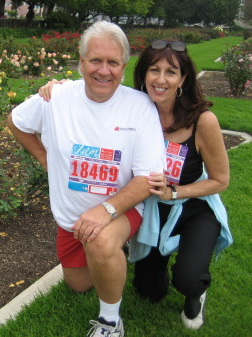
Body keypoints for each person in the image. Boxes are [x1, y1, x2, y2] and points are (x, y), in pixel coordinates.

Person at [38, 39, 233, 331]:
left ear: (183, 79)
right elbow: (94, 98)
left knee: (188, 277)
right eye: (154, 70)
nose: (161, 79)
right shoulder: (138, 109)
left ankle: (195, 294)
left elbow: (220, 180)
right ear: (142, 75)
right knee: (149, 292)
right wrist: (64, 87)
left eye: (171, 72)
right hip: (154, 208)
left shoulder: (202, 121)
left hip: (192, 206)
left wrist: (175, 191)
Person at [8, 21, 166, 337]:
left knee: (101, 240)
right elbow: (16, 121)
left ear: (123, 66)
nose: (103, 71)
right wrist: (45, 158)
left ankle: (110, 322)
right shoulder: (58, 98)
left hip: (121, 208)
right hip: (70, 218)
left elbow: (146, 179)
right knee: (79, 284)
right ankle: (110, 257)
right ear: (81, 63)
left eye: (112, 62)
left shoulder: (140, 107)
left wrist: (106, 210)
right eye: (95, 60)